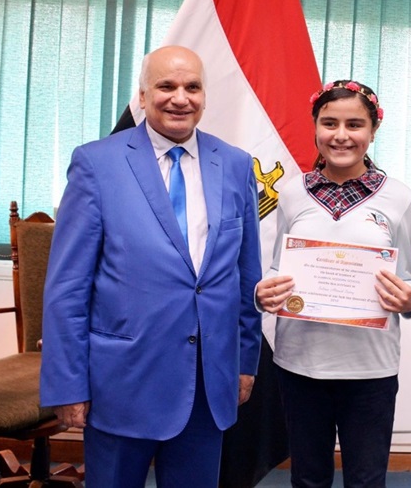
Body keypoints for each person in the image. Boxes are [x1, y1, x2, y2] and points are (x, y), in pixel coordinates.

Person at [40, 45, 262, 488]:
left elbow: (246, 275)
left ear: (204, 96)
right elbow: (68, 287)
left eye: (192, 87)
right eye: (166, 86)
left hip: (207, 381)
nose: (180, 98)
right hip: (122, 382)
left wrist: (246, 361)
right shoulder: (96, 163)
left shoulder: (235, 164)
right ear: (142, 96)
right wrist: (68, 384)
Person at [255, 80, 411, 488]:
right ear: (315, 126)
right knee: (308, 478)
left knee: (366, 479)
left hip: (370, 368)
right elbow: (277, 267)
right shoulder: (292, 192)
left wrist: (408, 299)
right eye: (329, 123)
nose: (341, 135)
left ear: (373, 131)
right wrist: (263, 292)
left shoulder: (399, 197)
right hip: (299, 364)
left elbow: (408, 279)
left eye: (354, 124)